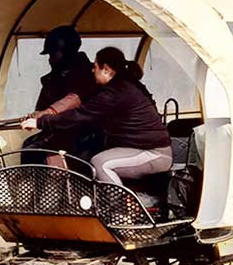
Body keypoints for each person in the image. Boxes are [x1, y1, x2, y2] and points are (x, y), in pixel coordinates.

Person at [22, 46, 172, 185]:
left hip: (154, 153)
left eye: (95, 66)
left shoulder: (116, 92)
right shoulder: (119, 86)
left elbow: (80, 115)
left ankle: (120, 211)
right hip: (138, 148)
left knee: (101, 163)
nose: (92, 70)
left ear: (106, 70)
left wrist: (40, 122)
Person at [20, 26, 101, 166]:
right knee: (30, 147)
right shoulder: (53, 78)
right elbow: (42, 108)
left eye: (52, 54)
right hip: (61, 130)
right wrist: (35, 115)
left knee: (44, 151)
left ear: (67, 52)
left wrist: (47, 113)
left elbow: (74, 99)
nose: (50, 60)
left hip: (87, 133)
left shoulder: (88, 73)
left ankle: (60, 185)